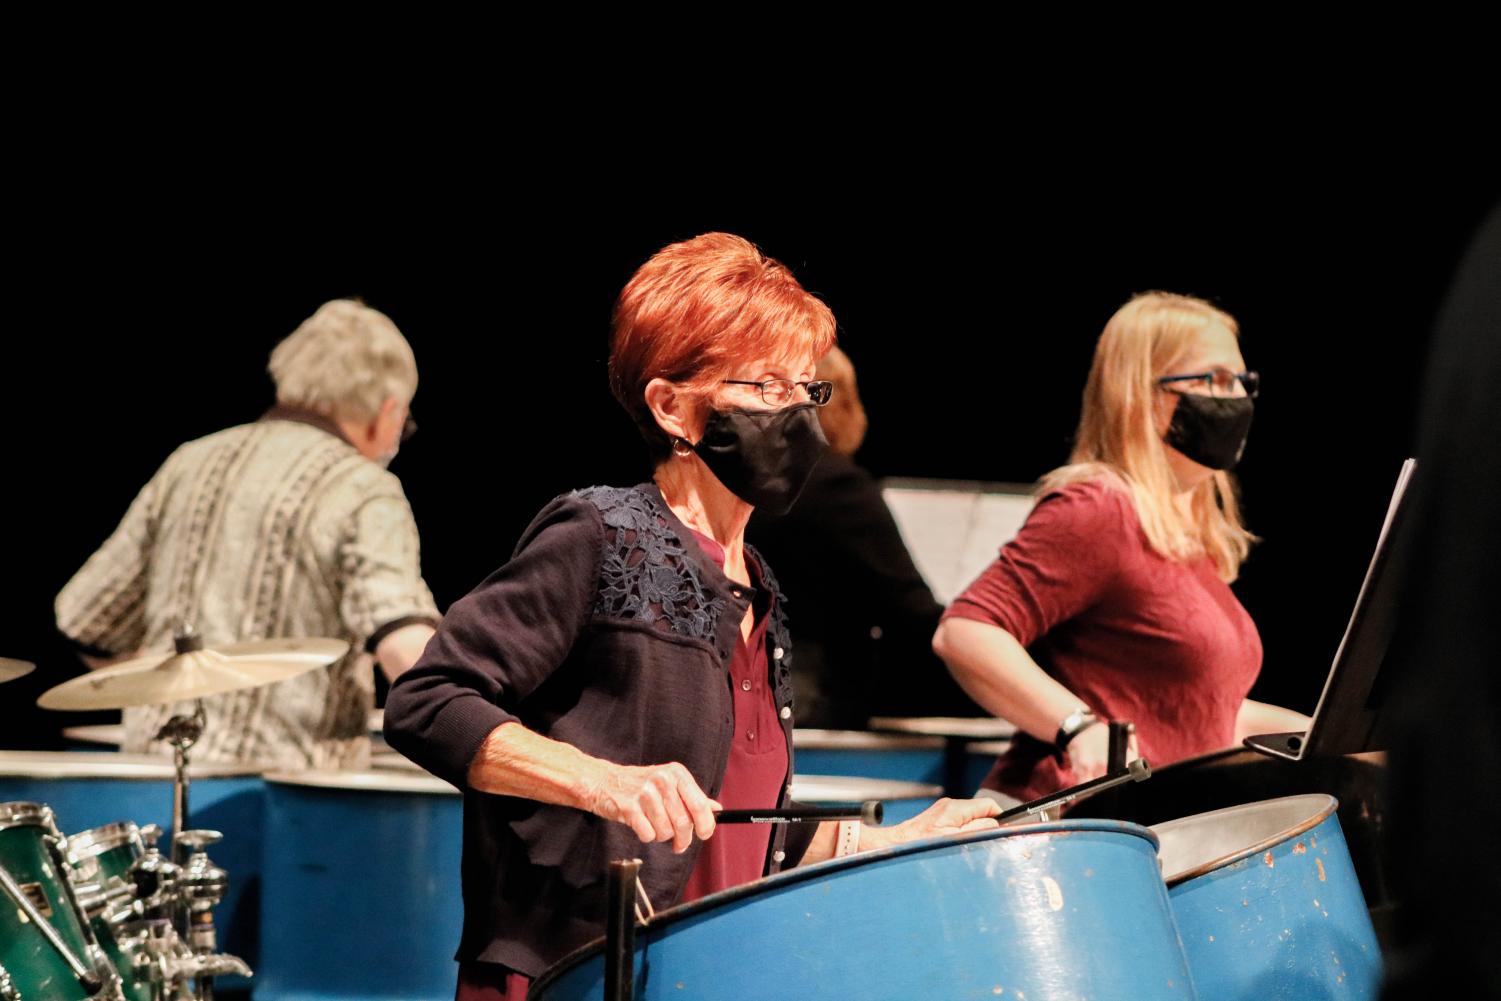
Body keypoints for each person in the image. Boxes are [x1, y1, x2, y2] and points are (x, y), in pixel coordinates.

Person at [383, 233, 999, 998]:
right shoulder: (600, 533)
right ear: (672, 406)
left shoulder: (759, 584)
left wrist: (894, 840)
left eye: (805, 390)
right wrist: (599, 781)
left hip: (702, 975)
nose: (796, 415)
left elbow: (736, 822)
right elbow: (427, 700)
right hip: (573, 973)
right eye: (765, 387)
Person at [932, 291, 1309, 807]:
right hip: (1067, 826)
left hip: (1143, 828)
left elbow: (1202, 712)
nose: (1234, 399)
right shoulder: (1098, 508)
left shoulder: (1180, 530)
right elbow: (967, 631)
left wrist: (1327, 741)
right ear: (1142, 392)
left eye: (1242, 383)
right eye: (1213, 379)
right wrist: (1077, 726)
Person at [55, 299, 441, 769]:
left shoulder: (190, 461)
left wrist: (163, 691)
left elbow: (87, 621)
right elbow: (402, 640)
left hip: (157, 783)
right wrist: (478, 724)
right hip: (291, 800)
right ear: (388, 412)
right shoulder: (364, 488)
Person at [748, 345, 980, 727]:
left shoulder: (754, 479)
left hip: (752, 689)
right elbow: (910, 610)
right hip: (811, 701)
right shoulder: (835, 485)